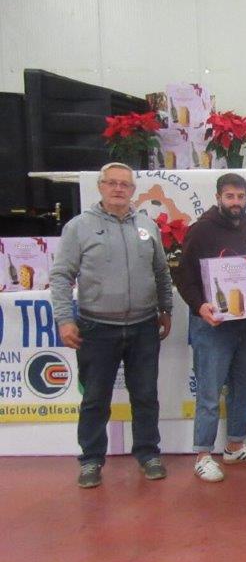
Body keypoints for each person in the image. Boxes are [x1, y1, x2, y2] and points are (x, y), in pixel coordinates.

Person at [51, 162, 173, 488]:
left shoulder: (147, 225)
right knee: (95, 398)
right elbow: (61, 276)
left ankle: (148, 454)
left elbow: (161, 272)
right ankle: (91, 460)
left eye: (125, 184)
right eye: (112, 183)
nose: (119, 189)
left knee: (145, 395)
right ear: (101, 186)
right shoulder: (79, 227)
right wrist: (64, 319)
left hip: (144, 326)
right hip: (96, 328)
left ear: (133, 190)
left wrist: (166, 308)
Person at [174, 172, 246, 482]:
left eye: (240, 197)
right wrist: (200, 306)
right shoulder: (201, 230)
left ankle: (235, 445)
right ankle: (203, 454)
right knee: (209, 391)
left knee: (245, 385)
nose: (236, 202)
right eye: (230, 196)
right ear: (218, 198)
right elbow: (184, 276)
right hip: (211, 324)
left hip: (243, 324)